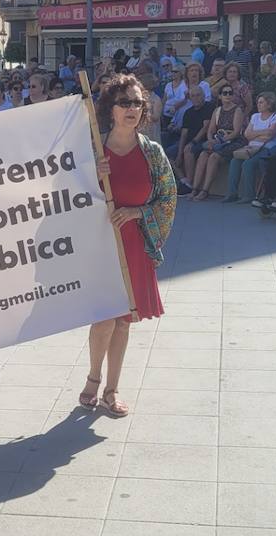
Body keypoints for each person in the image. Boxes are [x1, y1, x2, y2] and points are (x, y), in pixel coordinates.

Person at [80, 73, 175, 417]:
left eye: (137, 102)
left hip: (134, 243)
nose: (132, 108)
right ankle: (92, 379)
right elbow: (67, 197)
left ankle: (111, 389)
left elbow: (167, 198)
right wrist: (90, 173)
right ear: (111, 108)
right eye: (125, 102)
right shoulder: (91, 149)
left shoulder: (153, 153)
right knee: (104, 317)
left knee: (123, 321)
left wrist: (137, 212)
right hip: (100, 246)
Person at [190, 81, 246, 200]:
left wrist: (220, 141)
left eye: (230, 93)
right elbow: (210, 130)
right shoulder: (217, 111)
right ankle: (195, 189)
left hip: (233, 141)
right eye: (224, 93)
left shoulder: (237, 110)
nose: (228, 95)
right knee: (203, 155)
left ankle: (205, 190)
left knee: (214, 157)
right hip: (218, 140)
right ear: (220, 96)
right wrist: (211, 141)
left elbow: (236, 132)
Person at [228, 92, 276, 203]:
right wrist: (262, 132)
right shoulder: (255, 116)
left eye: (261, 102)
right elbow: (247, 134)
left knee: (248, 164)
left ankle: (249, 195)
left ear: (269, 104)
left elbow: (269, 136)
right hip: (251, 147)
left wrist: (255, 134)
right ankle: (232, 194)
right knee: (235, 161)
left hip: (267, 148)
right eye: (258, 102)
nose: (258, 104)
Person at [176, 86, 214, 188]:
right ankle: (184, 181)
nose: (196, 98)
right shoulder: (188, 112)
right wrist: (179, 153)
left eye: (198, 95)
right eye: (193, 96)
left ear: (203, 96)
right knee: (168, 154)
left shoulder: (209, 107)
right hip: (189, 140)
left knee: (189, 150)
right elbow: (184, 134)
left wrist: (193, 142)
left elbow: (206, 127)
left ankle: (190, 183)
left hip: (203, 141)